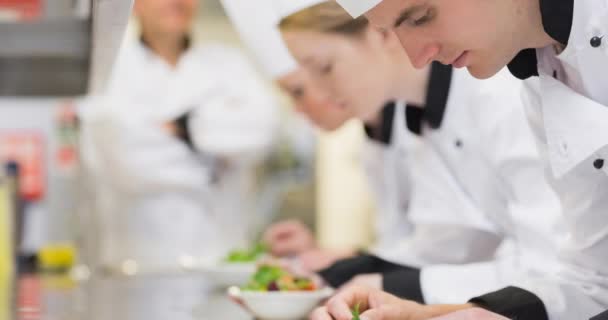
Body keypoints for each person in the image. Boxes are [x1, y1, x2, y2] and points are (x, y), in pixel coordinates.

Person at [318, 0, 608, 318]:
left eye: (420, 17)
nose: (418, 58)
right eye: (391, 30)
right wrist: (430, 313)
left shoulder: (502, 94)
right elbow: (595, 283)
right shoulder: (543, 84)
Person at [79, 0, 279, 270]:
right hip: (139, 265)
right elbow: (124, 159)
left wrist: (179, 129)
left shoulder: (231, 64)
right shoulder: (109, 71)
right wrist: (216, 163)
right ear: (133, 4)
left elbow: (261, 131)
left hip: (224, 260)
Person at [221, 0, 417, 271]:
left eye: (299, 90)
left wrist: (344, 266)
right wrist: (326, 257)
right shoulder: (374, 139)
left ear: (380, 35)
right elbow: (405, 250)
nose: (323, 90)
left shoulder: (420, 112)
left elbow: (452, 253)